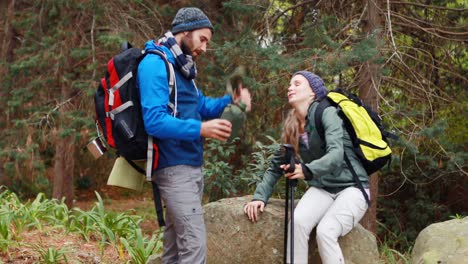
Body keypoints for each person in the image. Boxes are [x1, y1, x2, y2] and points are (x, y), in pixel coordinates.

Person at [138, 7, 251, 264]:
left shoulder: (183, 68)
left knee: (175, 250)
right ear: (185, 31)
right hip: (172, 167)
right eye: (203, 39)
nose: (205, 48)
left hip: (190, 165)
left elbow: (200, 106)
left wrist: (231, 100)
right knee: (194, 247)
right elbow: (154, 121)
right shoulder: (156, 63)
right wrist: (201, 129)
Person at [243, 71, 368, 264]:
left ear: (312, 92)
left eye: (297, 83)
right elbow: (277, 165)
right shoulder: (293, 125)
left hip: (353, 188)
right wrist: (259, 197)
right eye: (289, 85)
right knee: (298, 223)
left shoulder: (327, 113)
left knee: (326, 231)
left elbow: (336, 155)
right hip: (323, 188)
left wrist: (307, 170)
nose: (290, 87)